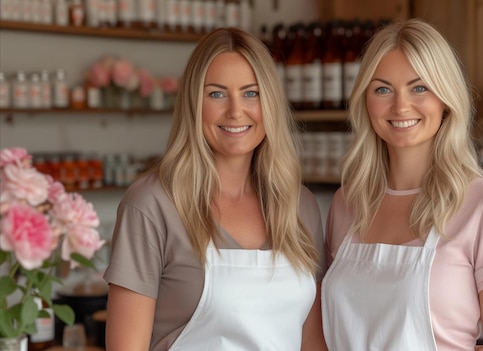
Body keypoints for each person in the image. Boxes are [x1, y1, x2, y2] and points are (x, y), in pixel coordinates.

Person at [104, 27, 327, 351]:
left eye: (251, 93)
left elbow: (311, 341)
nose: (236, 111)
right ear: (194, 104)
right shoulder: (152, 205)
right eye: (217, 94)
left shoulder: (299, 206)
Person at [321, 18, 483, 350]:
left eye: (419, 87)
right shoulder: (347, 203)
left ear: (445, 100)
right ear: (366, 100)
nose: (401, 105)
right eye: (382, 89)